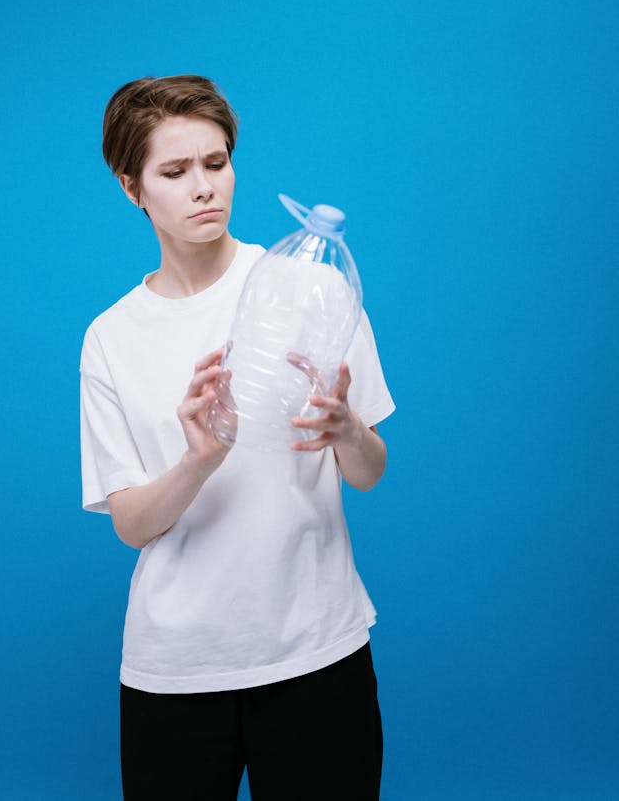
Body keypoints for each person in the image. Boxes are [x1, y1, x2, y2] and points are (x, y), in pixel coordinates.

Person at [80, 74, 395, 800]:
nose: (203, 188)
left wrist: (347, 428)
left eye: (216, 163)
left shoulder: (311, 287)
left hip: (317, 649)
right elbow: (131, 521)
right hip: (177, 668)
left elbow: (370, 468)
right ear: (132, 187)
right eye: (174, 170)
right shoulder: (110, 338)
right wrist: (200, 456)